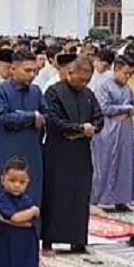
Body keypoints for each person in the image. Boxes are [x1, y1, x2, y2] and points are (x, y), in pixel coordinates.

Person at [41, 57, 104, 253]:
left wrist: (90, 129)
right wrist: (78, 128)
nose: (83, 84)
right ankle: (49, 239)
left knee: (79, 196)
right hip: (58, 152)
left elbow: (98, 118)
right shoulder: (54, 92)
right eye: (81, 79)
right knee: (55, 194)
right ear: (70, 73)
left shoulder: (88, 94)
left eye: (87, 80)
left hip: (81, 153)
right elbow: (53, 119)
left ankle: (77, 240)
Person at [0, 51, 45, 250]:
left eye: (34, 71)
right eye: (27, 70)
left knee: (31, 193)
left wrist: (23, 117)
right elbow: (3, 118)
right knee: (1, 194)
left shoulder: (36, 92)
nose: (32, 75)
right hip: (7, 150)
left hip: (31, 150)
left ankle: (30, 245)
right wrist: (30, 117)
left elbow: (46, 116)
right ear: (13, 69)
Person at [92, 56, 134, 211]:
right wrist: (125, 108)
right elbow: (104, 108)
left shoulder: (127, 89)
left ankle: (122, 199)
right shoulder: (103, 86)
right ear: (116, 69)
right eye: (125, 73)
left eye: (130, 74)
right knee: (105, 165)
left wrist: (126, 109)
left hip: (125, 131)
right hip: (108, 131)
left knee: (125, 165)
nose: (127, 77)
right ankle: (102, 199)